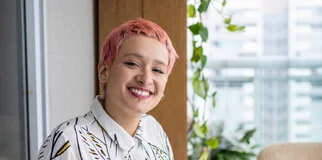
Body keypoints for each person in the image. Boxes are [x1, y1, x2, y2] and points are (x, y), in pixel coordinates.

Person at [37, 18, 178, 160]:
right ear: (104, 71)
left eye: (158, 70)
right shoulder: (68, 140)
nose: (146, 79)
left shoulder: (155, 131)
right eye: (132, 63)